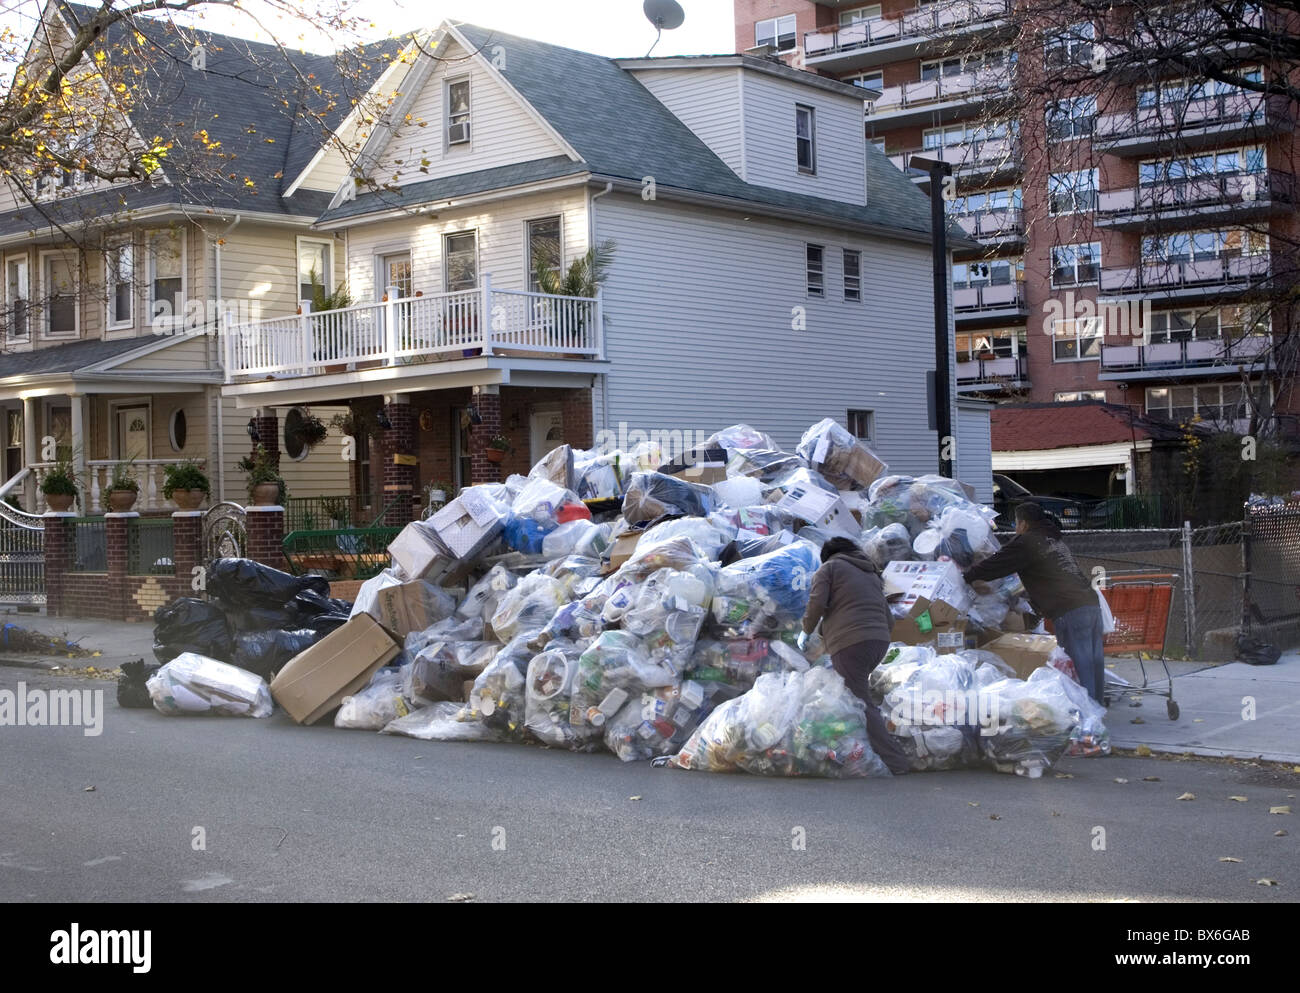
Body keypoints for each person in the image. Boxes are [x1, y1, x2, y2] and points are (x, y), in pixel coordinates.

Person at [962, 502, 1106, 704]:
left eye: (1016, 523)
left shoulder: (1028, 542)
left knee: (1079, 662)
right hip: (1090, 604)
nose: (1015, 528)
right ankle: (1096, 705)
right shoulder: (1053, 540)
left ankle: (1088, 715)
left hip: (1069, 608)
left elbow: (997, 563)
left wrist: (965, 576)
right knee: (1093, 662)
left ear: (1023, 523)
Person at [800, 536, 912, 776]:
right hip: (878, 641)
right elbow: (888, 617)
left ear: (827, 555)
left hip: (850, 642)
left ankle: (896, 761)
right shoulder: (871, 574)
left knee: (861, 703)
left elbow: (816, 603)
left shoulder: (829, 568)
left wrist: (806, 630)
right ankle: (869, 747)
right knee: (859, 697)